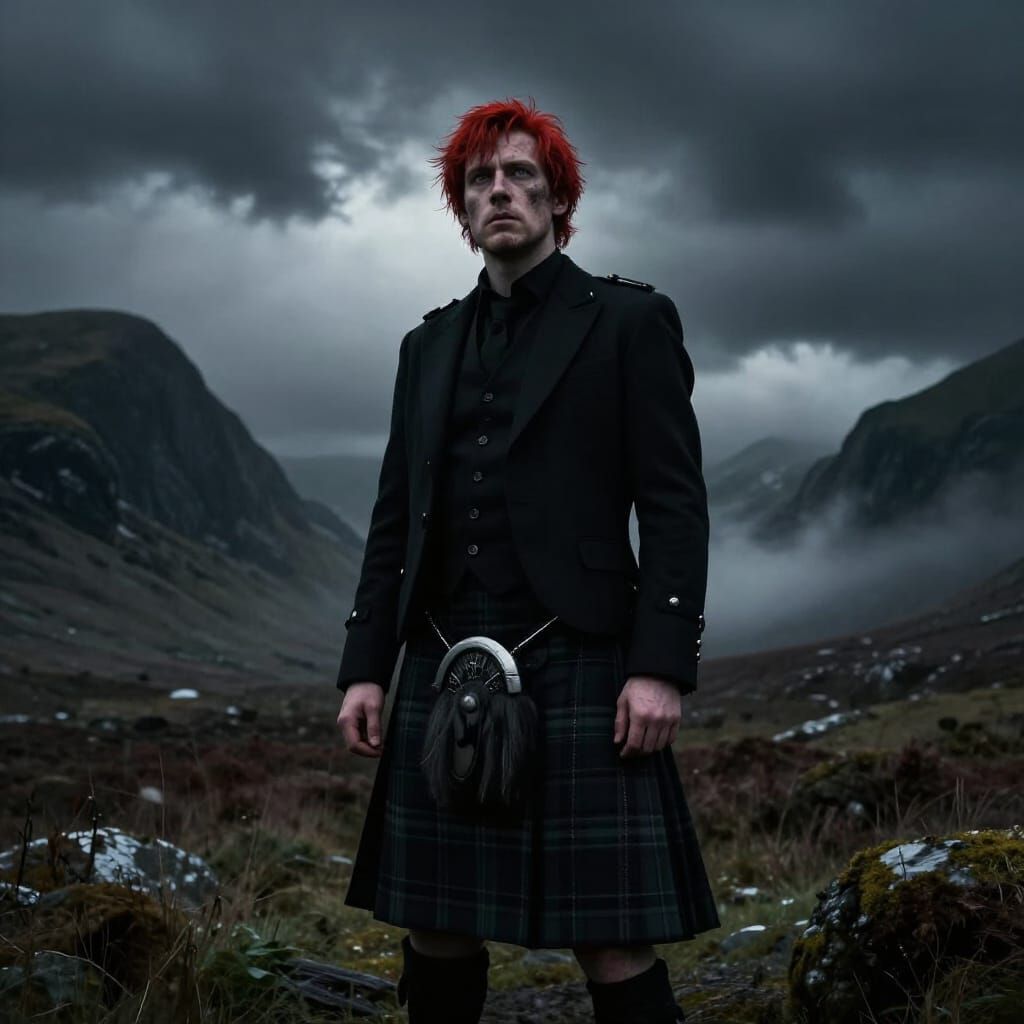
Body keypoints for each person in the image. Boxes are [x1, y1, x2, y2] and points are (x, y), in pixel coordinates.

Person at [335, 98, 718, 1024]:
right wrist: (365, 670)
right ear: (460, 208)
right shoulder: (424, 347)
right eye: (480, 180)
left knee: (613, 935)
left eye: (520, 177)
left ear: (557, 201)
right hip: (438, 648)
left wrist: (660, 667)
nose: (499, 191)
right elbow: (396, 519)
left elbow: (674, 505)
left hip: (579, 649)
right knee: (432, 920)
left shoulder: (629, 322)